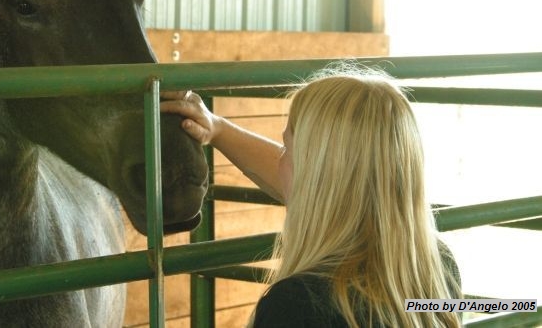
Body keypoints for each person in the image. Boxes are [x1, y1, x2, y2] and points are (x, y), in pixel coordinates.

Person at [161, 64, 462, 327]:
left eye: (288, 150)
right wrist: (219, 129)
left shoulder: (298, 305)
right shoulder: (437, 270)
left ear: (317, 178)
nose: (279, 162)